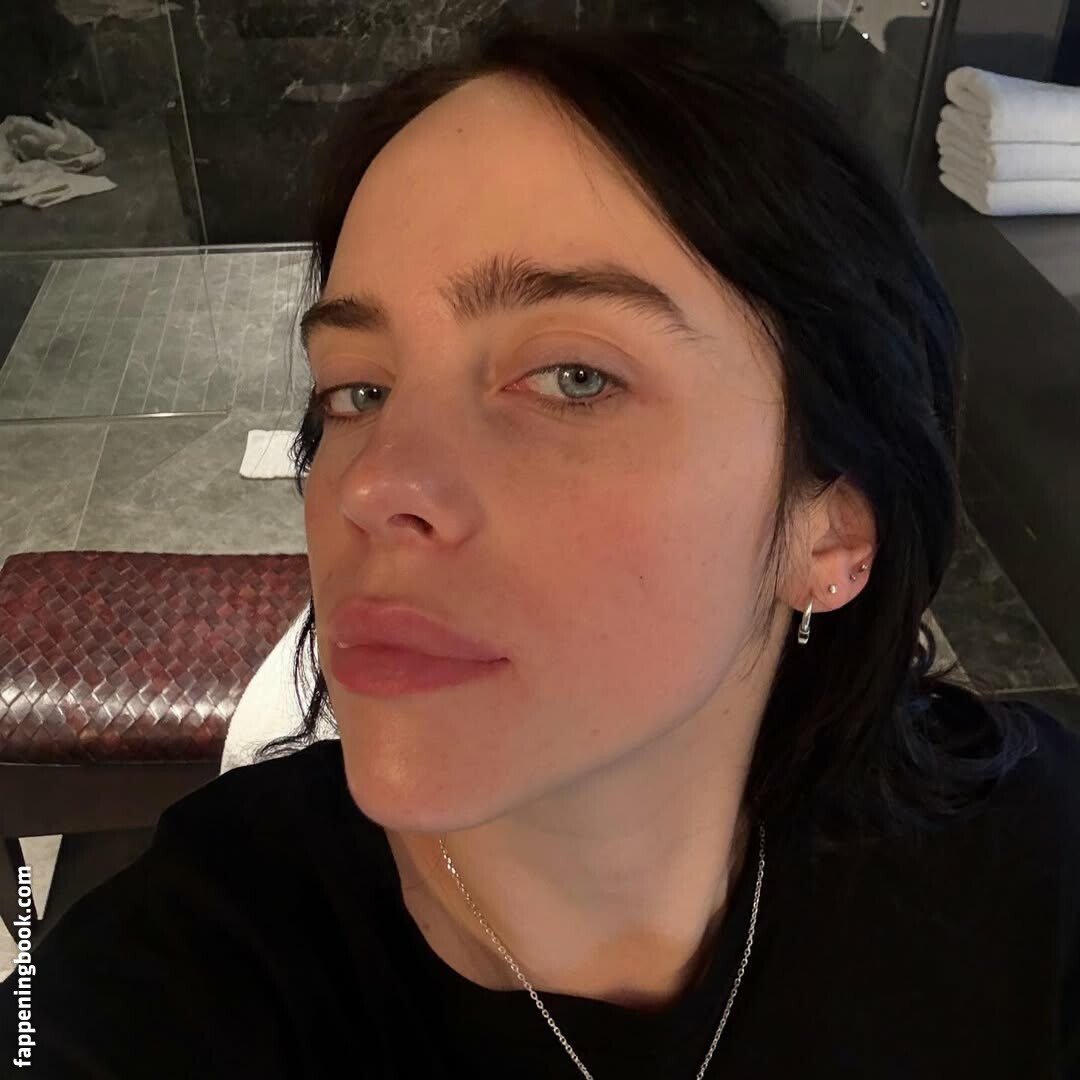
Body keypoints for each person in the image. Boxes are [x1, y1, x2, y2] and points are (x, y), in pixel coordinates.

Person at [3, 23, 1078, 1079]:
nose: (372, 486)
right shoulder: (178, 974)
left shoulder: (1034, 861)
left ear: (831, 526)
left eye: (574, 378)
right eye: (358, 391)